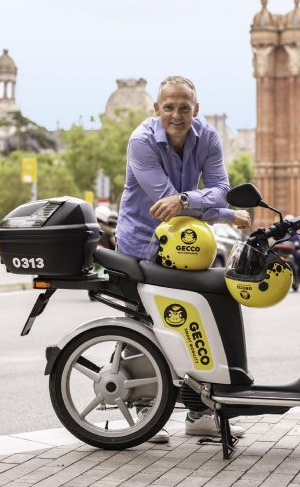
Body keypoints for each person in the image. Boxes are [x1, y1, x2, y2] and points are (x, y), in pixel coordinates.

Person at [116, 76, 250, 443]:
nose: (177, 115)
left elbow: (221, 189)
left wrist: (193, 203)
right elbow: (166, 204)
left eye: (185, 107)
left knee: (196, 320)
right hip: (141, 242)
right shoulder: (141, 142)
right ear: (156, 109)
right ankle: (145, 411)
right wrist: (223, 215)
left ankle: (200, 412)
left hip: (187, 243)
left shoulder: (207, 138)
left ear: (196, 108)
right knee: (144, 326)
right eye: (169, 107)